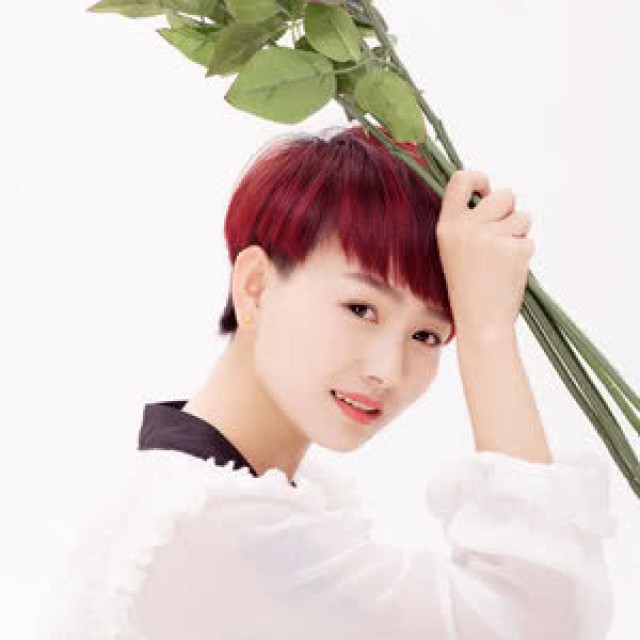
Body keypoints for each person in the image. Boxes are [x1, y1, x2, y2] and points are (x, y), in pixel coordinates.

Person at [43, 124, 617, 639]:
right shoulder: (209, 532)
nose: (387, 370)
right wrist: (489, 333)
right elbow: (538, 623)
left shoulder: (207, 503)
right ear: (256, 286)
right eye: (361, 308)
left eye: (426, 335)